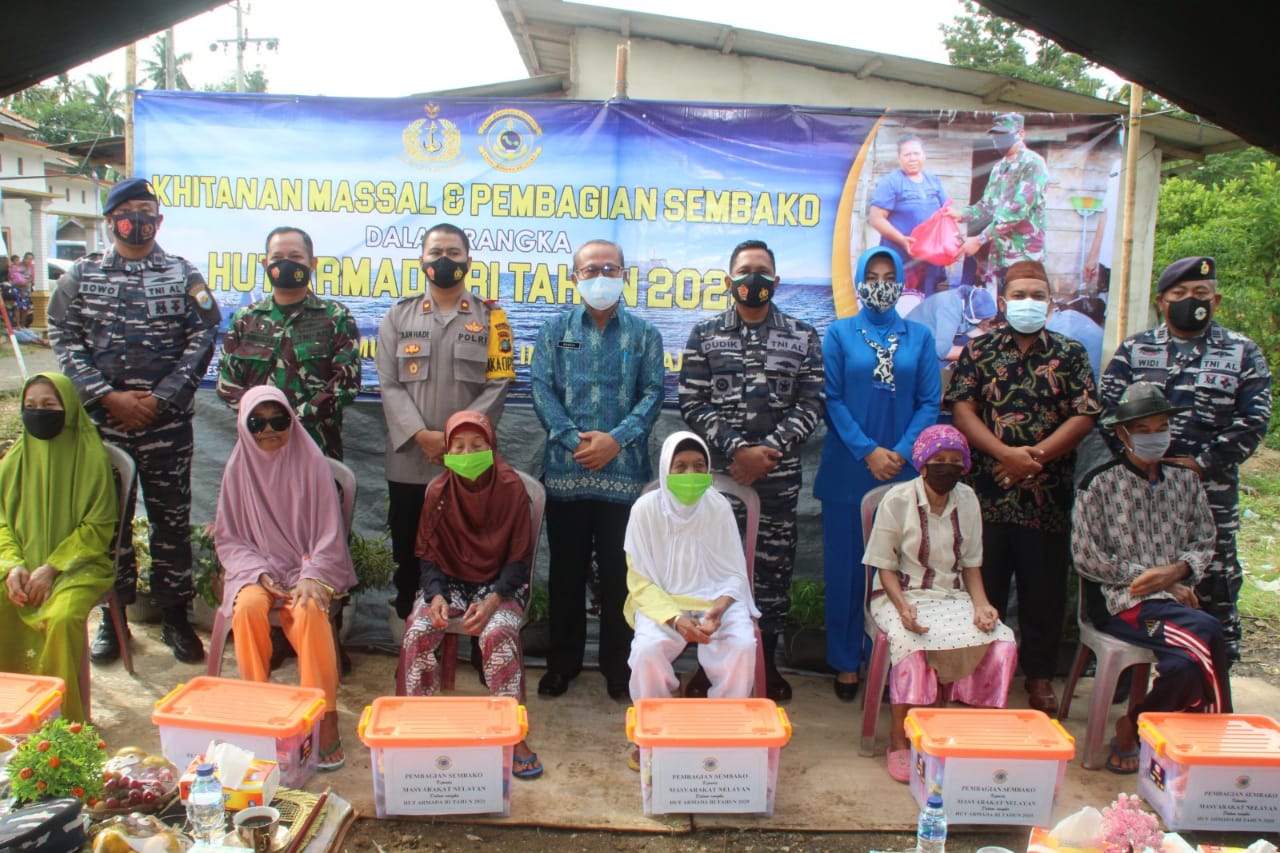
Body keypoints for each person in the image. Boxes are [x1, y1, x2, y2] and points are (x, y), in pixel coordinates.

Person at [48, 178, 221, 664]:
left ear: (158, 221)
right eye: (127, 212)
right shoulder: (81, 275)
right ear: (110, 221)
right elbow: (62, 334)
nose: (137, 220)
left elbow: (204, 336)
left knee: (171, 521)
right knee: (110, 525)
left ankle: (175, 617)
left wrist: (162, 398)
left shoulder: (182, 273)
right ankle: (114, 617)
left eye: (146, 210)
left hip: (167, 425)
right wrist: (106, 396)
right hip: (106, 426)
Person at [1100, 256, 1272, 664]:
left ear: (1216, 300)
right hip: (1141, 493)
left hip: (1208, 495)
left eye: (1200, 293)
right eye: (1179, 293)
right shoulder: (1135, 350)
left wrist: (1199, 463)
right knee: (1136, 580)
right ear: (1162, 301)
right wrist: (1140, 463)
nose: (1190, 300)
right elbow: (1108, 413)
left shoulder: (1242, 352)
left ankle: (1213, 675)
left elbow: (1254, 420)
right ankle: (1129, 679)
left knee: (1212, 582)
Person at [946, 260, 1100, 715]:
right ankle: (978, 671)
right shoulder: (980, 351)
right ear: (1002, 301)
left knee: (1044, 591)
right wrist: (1005, 455)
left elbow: (1084, 415)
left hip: (1045, 497)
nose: (1028, 303)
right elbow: (962, 410)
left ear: (1050, 304)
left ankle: (1038, 677)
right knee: (982, 585)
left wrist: (1035, 459)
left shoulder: (1070, 354)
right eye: (1019, 295)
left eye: (1037, 295)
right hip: (987, 494)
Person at [678, 239, 825, 702]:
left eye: (761, 270)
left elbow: (812, 402)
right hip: (722, 481)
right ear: (729, 280)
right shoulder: (705, 334)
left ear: (776, 281)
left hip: (777, 481)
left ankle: (768, 664)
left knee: (772, 574)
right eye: (744, 271)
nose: (752, 279)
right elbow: (691, 400)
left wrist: (768, 452)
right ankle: (709, 667)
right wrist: (738, 450)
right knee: (714, 571)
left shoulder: (803, 335)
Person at [1073, 382, 1231, 774]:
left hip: (1174, 604)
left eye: (1161, 428)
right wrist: (1153, 579)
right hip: (1121, 603)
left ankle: (1136, 723)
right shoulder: (1099, 484)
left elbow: (1205, 539)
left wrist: (1178, 572)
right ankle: (1215, 746)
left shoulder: (1185, 481)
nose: (1153, 437)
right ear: (1122, 433)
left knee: (1183, 667)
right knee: (1209, 631)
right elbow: (1088, 557)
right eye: (1142, 430)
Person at [531, 238, 664, 700]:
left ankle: (618, 668)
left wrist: (615, 440)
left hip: (624, 475)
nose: (601, 276)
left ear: (624, 275)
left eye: (610, 268)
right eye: (591, 269)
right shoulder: (554, 331)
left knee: (618, 577)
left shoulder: (645, 335)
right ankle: (562, 664)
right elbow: (541, 389)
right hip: (566, 473)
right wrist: (574, 440)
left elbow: (653, 394)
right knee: (565, 574)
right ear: (575, 277)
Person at [814, 246, 941, 702]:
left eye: (890, 276)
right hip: (848, 471)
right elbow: (830, 399)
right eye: (873, 276)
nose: (881, 284)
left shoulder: (919, 337)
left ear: (902, 281)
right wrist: (867, 451)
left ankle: (891, 661)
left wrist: (901, 452)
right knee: (846, 572)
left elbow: (930, 401)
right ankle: (846, 661)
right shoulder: (839, 334)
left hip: (902, 475)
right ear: (859, 282)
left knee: (900, 571)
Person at [214, 386, 355, 772]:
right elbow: (230, 538)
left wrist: (311, 574)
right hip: (257, 568)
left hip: (307, 566)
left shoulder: (312, 463)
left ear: (292, 421)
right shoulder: (237, 469)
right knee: (247, 608)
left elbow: (328, 534)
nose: (268, 430)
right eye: (257, 423)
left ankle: (324, 715)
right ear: (244, 427)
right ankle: (259, 708)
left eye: (279, 421)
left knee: (309, 609)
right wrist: (257, 572)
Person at [376, 223, 512, 621]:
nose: (444, 259)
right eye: (436, 252)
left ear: (469, 260)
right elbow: (388, 382)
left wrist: (455, 439)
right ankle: (412, 639)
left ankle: (467, 636)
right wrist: (422, 435)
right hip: (410, 460)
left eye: (454, 252)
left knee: (468, 555)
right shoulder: (398, 316)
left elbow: (499, 382)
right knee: (408, 556)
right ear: (422, 259)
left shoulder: (492, 318)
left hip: (469, 463)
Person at [396, 410, 542, 779]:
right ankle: (417, 724)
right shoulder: (439, 492)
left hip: (501, 584)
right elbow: (429, 556)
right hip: (449, 583)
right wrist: (435, 597)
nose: (467, 454)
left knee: (498, 634)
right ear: (446, 451)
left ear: (492, 447)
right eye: (458, 447)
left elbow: (519, 560)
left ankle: (512, 734)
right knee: (418, 630)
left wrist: (493, 600)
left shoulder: (510, 488)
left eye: (477, 445)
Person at [866, 425, 1016, 782]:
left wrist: (982, 605)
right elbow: (884, 567)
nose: (947, 467)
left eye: (954, 461)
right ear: (922, 464)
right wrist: (903, 608)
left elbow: (971, 565)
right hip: (900, 593)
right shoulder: (898, 500)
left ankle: (970, 732)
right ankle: (901, 737)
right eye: (938, 460)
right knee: (912, 642)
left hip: (952, 595)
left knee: (1001, 640)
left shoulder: (967, 499)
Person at [623, 431, 759, 767]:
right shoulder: (644, 510)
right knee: (647, 651)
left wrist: (718, 610)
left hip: (716, 602)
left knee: (742, 645)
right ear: (665, 469)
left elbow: (734, 573)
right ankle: (654, 730)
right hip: (664, 603)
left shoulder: (718, 507)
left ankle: (723, 727)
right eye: (680, 466)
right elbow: (640, 581)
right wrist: (676, 619)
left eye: (699, 466)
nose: (690, 474)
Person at [0, 373, 119, 723]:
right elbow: (1, 522)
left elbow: (98, 527)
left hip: (77, 567)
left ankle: (57, 725)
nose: (38, 412)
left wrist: (51, 568)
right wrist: (12, 565)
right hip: (20, 565)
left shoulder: (91, 457)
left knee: (62, 617)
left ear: (68, 409)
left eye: (49, 405)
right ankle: (10, 717)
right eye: (30, 406)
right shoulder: (13, 462)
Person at [216, 226, 361, 460]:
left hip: (317, 449)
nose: (286, 264)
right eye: (277, 258)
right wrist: (264, 421)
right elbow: (226, 382)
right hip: (258, 446)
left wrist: (287, 421)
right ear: (265, 264)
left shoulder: (336, 317)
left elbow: (345, 385)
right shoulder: (245, 319)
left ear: (312, 263)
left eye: (295, 257)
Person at [948, 113, 1049, 293]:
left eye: (1005, 135)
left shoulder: (1033, 164)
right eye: (996, 135)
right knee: (999, 303)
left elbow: (1017, 210)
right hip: (1000, 254)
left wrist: (979, 240)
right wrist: (961, 214)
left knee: (1020, 303)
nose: (999, 140)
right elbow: (986, 206)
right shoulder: (998, 168)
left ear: (1021, 134)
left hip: (1024, 255)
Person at [868, 134, 951, 296]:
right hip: (900, 256)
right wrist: (902, 240)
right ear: (899, 158)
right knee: (898, 298)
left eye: (916, 153)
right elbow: (875, 219)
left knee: (927, 298)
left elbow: (946, 212)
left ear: (924, 156)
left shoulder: (933, 181)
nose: (912, 158)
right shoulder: (891, 182)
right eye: (907, 154)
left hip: (929, 257)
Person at [906, 284, 999, 365]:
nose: (985, 324)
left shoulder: (967, 299)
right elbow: (943, 352)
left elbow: (970, 329)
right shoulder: (950, 310)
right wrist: (978, 353)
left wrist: (993, 342)